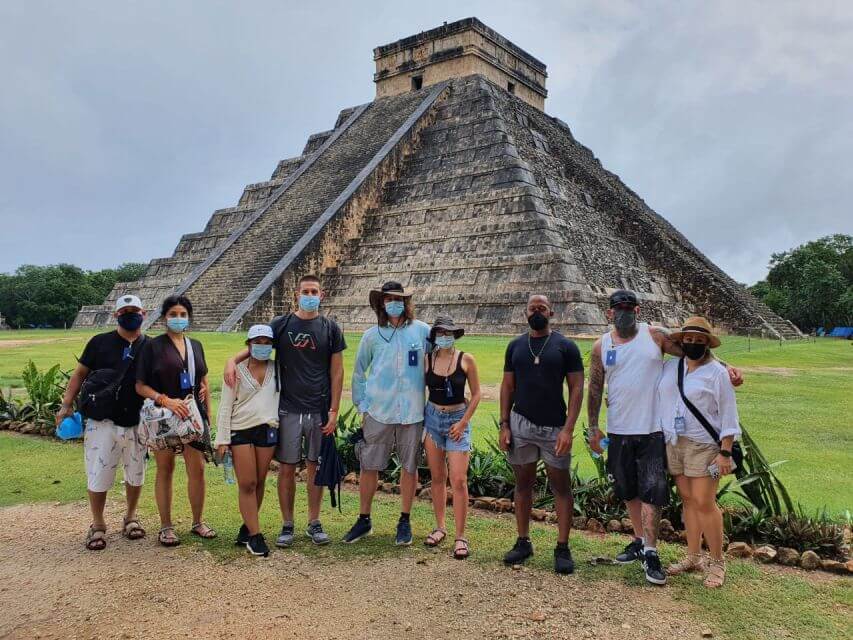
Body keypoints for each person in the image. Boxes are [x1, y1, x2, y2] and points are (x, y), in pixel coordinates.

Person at [586, 289, 742, 586]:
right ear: (609, 312)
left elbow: (696, 350)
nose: (624, 311)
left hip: (654, 430)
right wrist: (593, 427)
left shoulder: (656, 336)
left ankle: (652, 550)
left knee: (653, 492)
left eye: (629, 307)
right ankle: (641, 540)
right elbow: (595, 387)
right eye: (618, 307)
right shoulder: (600, 345)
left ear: (638, 310)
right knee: (630, 490)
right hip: (621, 430)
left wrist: (726, 367)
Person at [223, 274, 345, 548]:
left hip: (319, 408)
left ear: (321, 295)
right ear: (296, 294)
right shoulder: (282, 324)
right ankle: (287, 523)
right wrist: (233, 360)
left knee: (315, 467)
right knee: (287, 469)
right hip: (288, 408)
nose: (310, 295)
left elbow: (337, 372)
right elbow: (259, 345)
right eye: (305, 291)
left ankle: (314, 522)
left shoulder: (330, 328)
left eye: (314, 291)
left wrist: (334, 410)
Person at [498, 294, 584, 574]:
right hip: (521, 423)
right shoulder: (515, 346)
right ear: (525, 314)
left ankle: (562, 547)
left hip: (554, 427)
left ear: (552, 312)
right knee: (522, 484)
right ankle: (523, 541)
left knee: (561, 486)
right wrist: (504, 424)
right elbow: (507, 387)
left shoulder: (566, 347)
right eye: (532, 308)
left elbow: (577, 389)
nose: (537, 312)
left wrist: (568, 429)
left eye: (542, 308)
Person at [57, 294, 149, 550]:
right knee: (98, 472)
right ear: (116, 315)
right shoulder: (99, 343)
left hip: (137, 420)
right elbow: (79, 374)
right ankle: (97, 524)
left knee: (136, 473)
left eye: (135, 310)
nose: (130, 314)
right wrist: (66, 405)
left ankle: (131, 516)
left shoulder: (150, 346)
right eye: (125, 311)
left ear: (144, 313)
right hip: (102, 420)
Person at [344, 281, 431, 546]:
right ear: (381, 303)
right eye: (389, 299)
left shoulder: (422, 331)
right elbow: (359, 372)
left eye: (399, 299)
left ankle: (404, 519)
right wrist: (362, 406)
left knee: (409, 466)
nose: (394, 303)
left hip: (412, 412)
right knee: (369, 465)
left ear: (406, 302)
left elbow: (437, 364)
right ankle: (364, 518)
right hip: (378, 411)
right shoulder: (372, 335)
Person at [657, 317, 741, 588]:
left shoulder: (717, 373)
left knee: (705, 502)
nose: (693, 344)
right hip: (674, 441)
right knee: (688, 499)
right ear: (682, 342)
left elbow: (729, 414)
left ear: (707, 344)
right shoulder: (671, 367)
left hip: (704, 445)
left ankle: (718, 562)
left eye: (699, 340)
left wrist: (725, 452)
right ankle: (693, 555)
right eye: (689, 339)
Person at [135, 294, 216, 547]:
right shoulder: (152, 346)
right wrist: (165, 400)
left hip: (192, 416)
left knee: (198, 470)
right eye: (173, 314)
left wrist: (207, 413)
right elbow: (140, 386)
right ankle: (166, 526)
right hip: (166, 417)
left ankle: (198, 522)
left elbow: (203, 380)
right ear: (164, 317)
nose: (178, 319)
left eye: (183, 315)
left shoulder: (196, 345)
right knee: (165, 469)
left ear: (188, 317)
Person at [215, 325, 280, 557]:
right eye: (257, 342)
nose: (262, 346)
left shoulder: (278, 368)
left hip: (268, 429)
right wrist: (222, 439)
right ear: (248, 344)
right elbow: (225, 406)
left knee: (260, 481)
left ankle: (248, 526)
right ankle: (255, 536)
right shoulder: (236, 371)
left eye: (266, 342)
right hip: (240, 429)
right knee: (248, 483)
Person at [422, 315, 481, 559]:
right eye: (439, 333)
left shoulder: (466, 359)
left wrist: (463, 421)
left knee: (458, 480)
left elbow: (477, 394)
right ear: (434, 336)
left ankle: (460, 536)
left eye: (448, 333)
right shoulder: (428, 359)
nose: (443, 337)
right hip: (433, 418)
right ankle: (440, 527)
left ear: (454, 335)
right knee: (437, 477)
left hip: (457, 418)